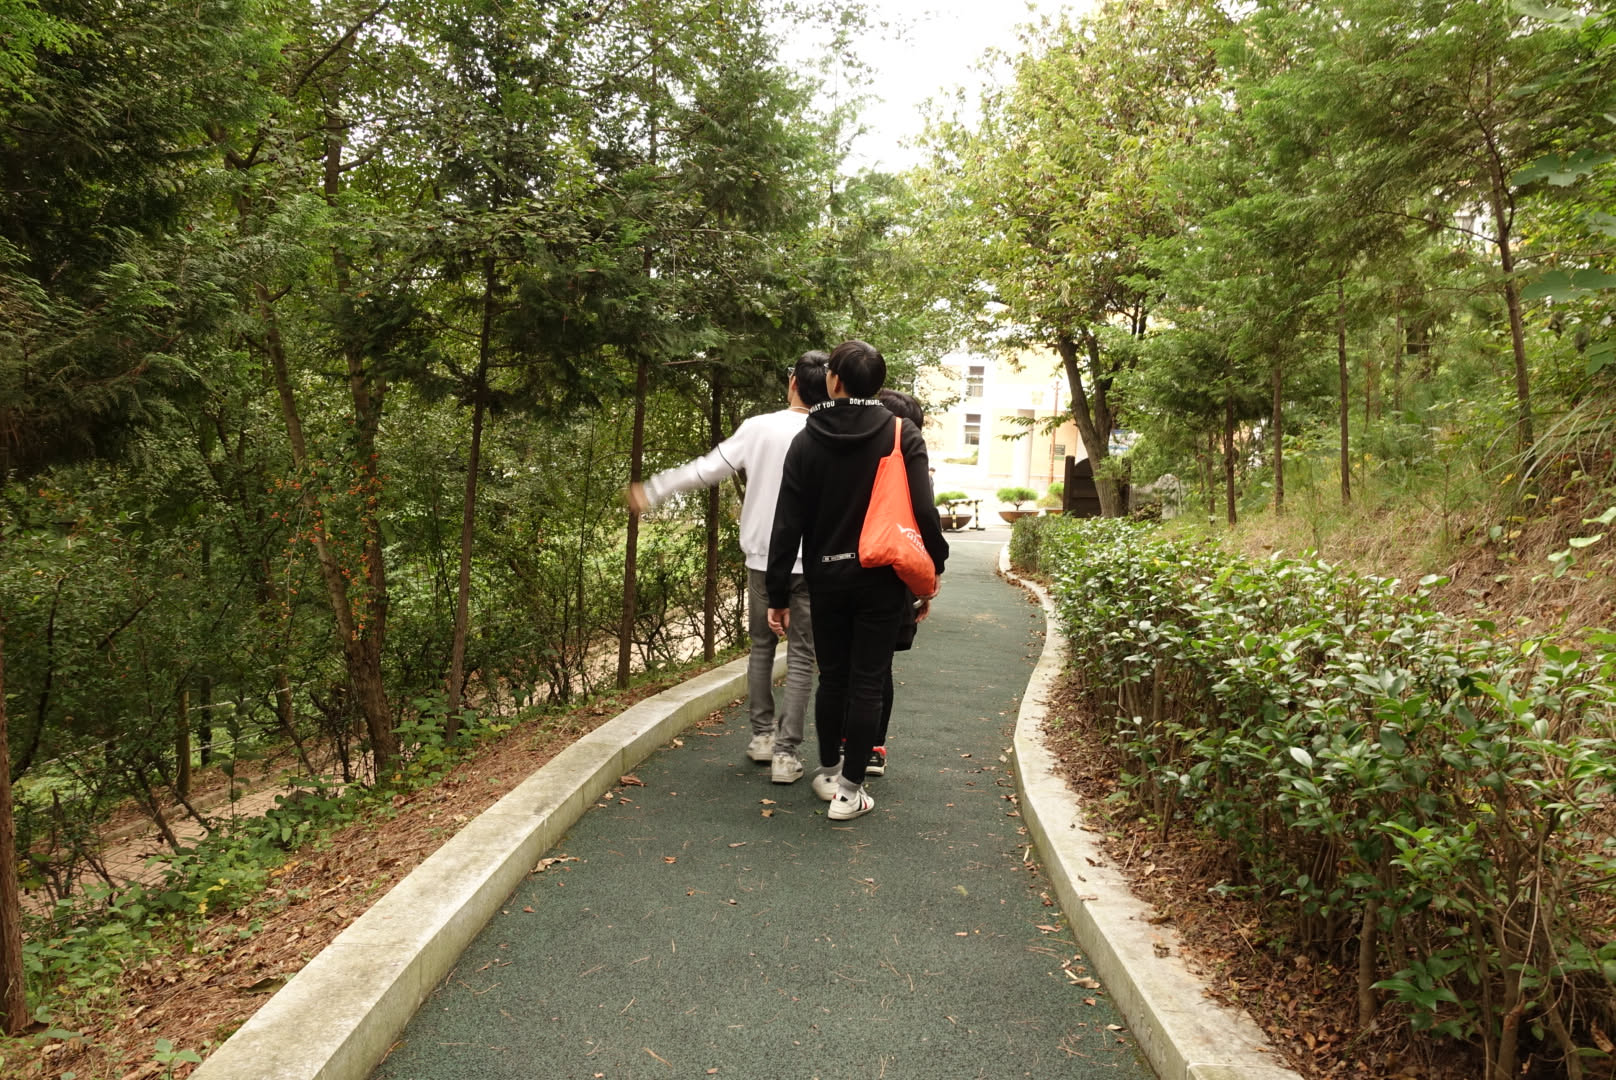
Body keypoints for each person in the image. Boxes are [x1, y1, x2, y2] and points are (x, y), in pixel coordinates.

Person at [626, 352, 829, 784]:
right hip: (812, 560)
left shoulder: (759, 428)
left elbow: (706, 470)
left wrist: (654, 489)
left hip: (762, 558)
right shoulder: (830, 429)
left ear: (793, 382)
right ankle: (786, 755)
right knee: (801, 655)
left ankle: (762, 737)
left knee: (761, 647)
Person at [766, 341, 948, 821]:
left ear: (834, 381)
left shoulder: (806, 438)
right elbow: (924, 510)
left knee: (833, 678)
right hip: (882, 577)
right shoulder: (901, 432)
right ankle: (850, 793)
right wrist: (934, 569)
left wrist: (778, 593)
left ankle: (828, 773)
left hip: (826, 576)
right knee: (868, 680)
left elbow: (787, 522)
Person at [869, 388, 932, 779]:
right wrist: (928, 581)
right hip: (895, 572)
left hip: (849, 569)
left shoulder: (852, 452)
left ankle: (843, 745)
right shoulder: (911, 462)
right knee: (880, 666)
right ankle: (873, 748)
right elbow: (924, 517)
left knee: (844, 668)